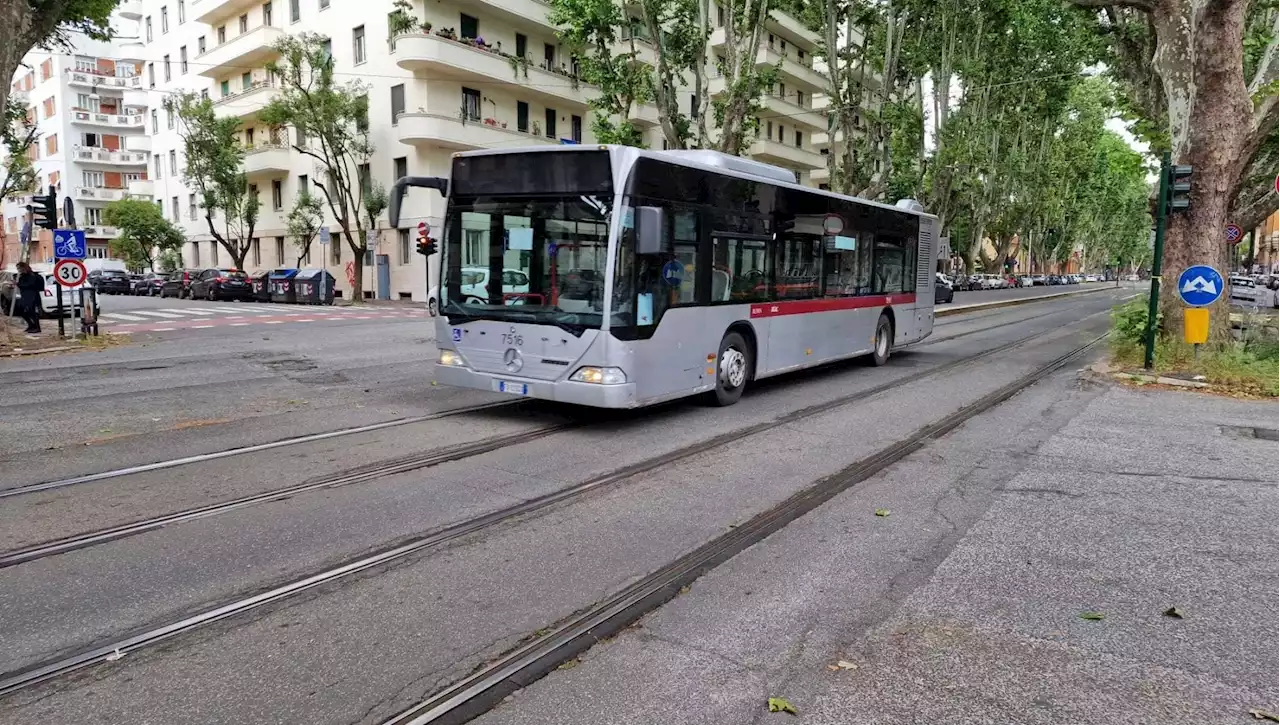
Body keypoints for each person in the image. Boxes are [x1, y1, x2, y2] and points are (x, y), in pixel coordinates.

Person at [15, 262, 44, 333]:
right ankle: (31, 325)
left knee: (31, 311)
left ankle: (37, 327)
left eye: (19, 268)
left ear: (23, 268)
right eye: (17, 268)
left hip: (32, 296)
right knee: (20, 310)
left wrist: (18, 284)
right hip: (25, 296)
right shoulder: (22, 275)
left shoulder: (32, 275)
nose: (18, 270)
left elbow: (29, 285)